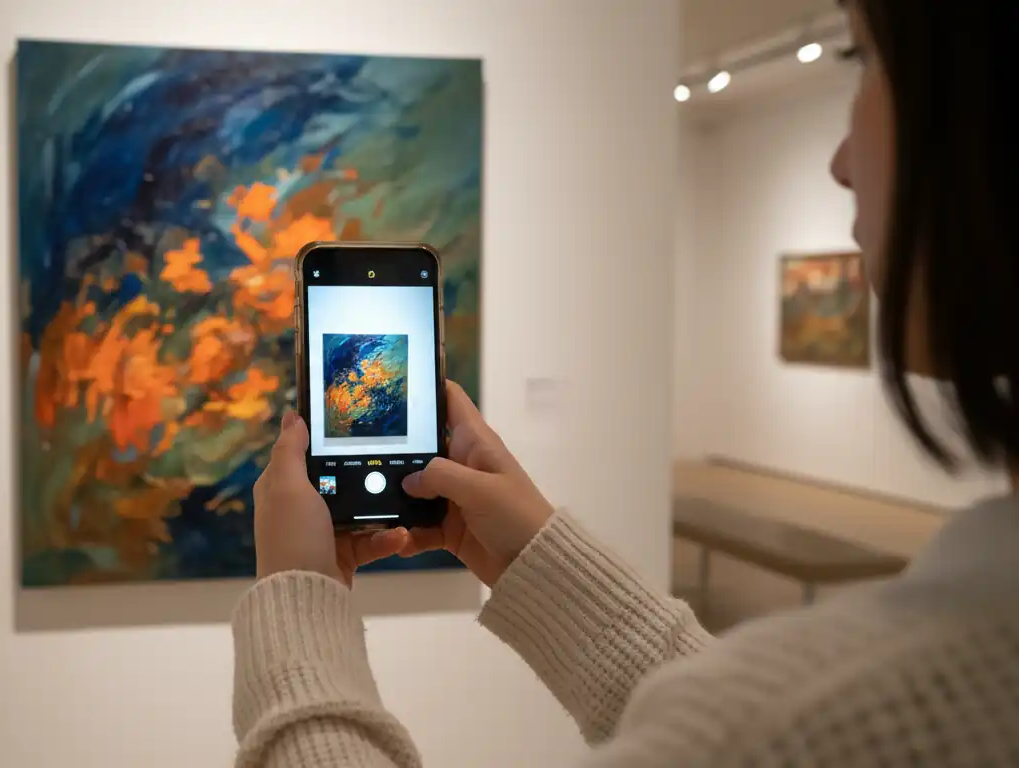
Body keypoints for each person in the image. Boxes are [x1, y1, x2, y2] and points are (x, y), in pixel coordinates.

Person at [231, 1, 1019, 765]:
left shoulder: (846, 714)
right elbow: (731, 719)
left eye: (864, 54)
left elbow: (754, 736)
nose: (840, 162)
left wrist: (301, 610)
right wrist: (534, 558)